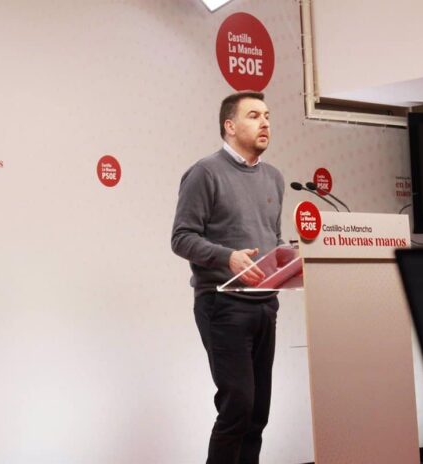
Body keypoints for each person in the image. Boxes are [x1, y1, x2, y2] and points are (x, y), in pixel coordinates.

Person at [171, 91, 284, 464]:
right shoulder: (205, 173)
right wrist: (227, 257)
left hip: (265, 305)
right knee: (238, 406)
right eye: (254, 116)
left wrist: (288, 258)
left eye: (267, 116)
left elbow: (272, 237)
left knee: (258, 414)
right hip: (223, 304)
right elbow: (181, 237)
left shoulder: (274, 177)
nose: (264, 122)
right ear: (230, 126)